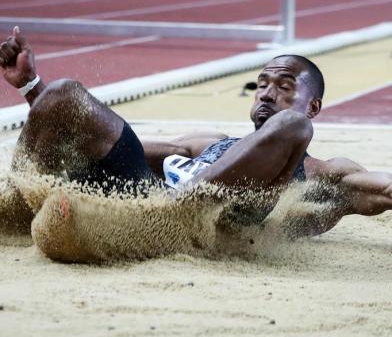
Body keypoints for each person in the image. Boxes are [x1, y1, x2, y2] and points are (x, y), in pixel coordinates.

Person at [0, 26, 392, 242]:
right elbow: (101, 148)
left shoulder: (325, 175)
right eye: (261, 84)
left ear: (314, 105)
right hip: (146, 207)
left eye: (285, 85)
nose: (268, 93)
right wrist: (33, 89)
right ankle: (17, 205)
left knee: (292, 127)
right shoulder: (207, 143)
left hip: (211, 225)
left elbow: (382, 188)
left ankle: (181, 214)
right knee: (64, 92)